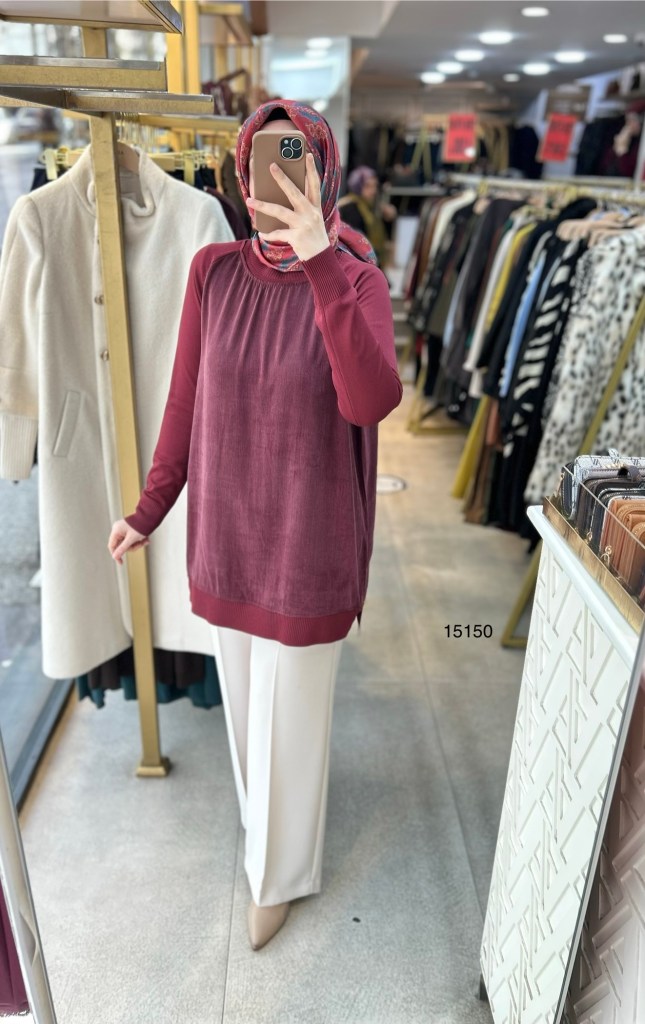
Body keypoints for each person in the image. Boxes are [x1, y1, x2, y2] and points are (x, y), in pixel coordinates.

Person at [107, 100, 402, 952]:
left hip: (311, 545)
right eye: (261, 161)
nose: (274, 178)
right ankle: (271, 847)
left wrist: (319, 263)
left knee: (292, 726)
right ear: (241, 174)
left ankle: (278, 876)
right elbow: (184, 401)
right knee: (246, 720)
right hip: (228, 537)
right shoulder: (212, 272)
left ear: (323, 171)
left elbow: (368, 401)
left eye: (293, 159)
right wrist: (149, 509)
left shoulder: (357, 279)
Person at [338, 165, 397, 267]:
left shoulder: (369, 206)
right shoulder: (350, 207)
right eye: (368, 186)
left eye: (375, 186)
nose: (373, 190)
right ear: (358, 186)